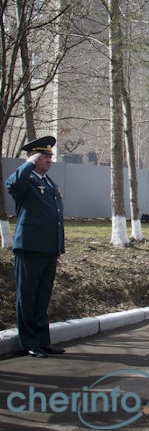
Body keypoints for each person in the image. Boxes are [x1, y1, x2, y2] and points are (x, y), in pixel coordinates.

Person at [7, 136, 65, 358]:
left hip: (49, 249)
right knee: (27, 297)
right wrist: (28, 164)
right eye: (44, 156)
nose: (49, 160)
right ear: (32, 157)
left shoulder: (50, 183)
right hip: (30, 248)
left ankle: (43, 341)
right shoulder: (26, 181)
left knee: (42, 298)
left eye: (50, 156)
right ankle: (29, 342)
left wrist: (58, 246)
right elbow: (12, 184)